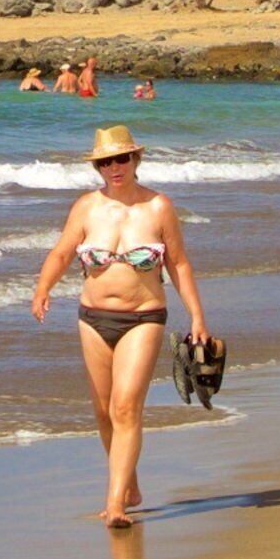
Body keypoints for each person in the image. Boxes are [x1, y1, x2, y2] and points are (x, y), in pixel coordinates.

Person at [28, 125, 211, 529]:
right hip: (92, 318)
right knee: (103, 411)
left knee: (126, 406)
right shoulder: (86, 208)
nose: (114, 167)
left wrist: (197, 315)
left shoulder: (159, 207)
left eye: (122, 159)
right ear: (97, 166)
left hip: (143, 317)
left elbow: (178, 263)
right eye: (105, 161)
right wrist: (42, 288)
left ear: (136, 160)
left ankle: (115, 505)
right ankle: (128, 483)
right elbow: (61, 254)